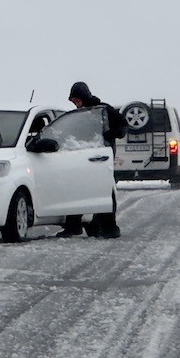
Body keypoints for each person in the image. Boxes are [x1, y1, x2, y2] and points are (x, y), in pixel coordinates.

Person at [59, 81, 125, 239]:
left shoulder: (104, 110)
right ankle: (74, 226)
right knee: (77, 189)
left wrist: (113, 133)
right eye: (73, 102)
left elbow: (123, 126)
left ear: (84, 97)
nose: (76, 104)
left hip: (101, 157)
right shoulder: (78, 115)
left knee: (102, 190)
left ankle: (110, 227)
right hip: (81, 156)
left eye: (77, 100)